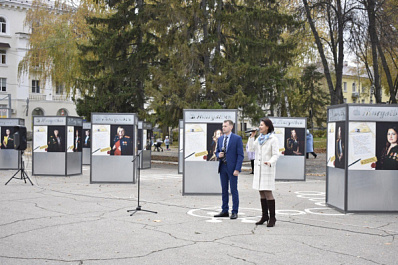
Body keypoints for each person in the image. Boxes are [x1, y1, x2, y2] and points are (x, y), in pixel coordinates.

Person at [248, 118, 280, 227]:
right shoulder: (259, 138)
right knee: (261, 192)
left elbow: (276, 154)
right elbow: (251, 149)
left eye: (262, 125)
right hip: (259, 169)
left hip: (267, 168)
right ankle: (264, 216)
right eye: (259, 125)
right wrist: (252, 137)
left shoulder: (273, 139)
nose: (260, 127)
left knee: (268, 192)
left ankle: (272, 217)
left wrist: (270, 162)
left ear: (267, 127)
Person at [214, 120, 244, 220]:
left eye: (225, 126)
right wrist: (219, 155)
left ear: (231, 127)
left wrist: (237, 169)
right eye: (223, 126)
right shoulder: (220, 139)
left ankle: (234, 211)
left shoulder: (237, 138)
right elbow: (217, 151)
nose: (223, 128)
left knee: (233, 190)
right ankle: (224, 210)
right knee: (224, 189)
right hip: (222, 167)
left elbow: (240, 155)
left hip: (232, 168)